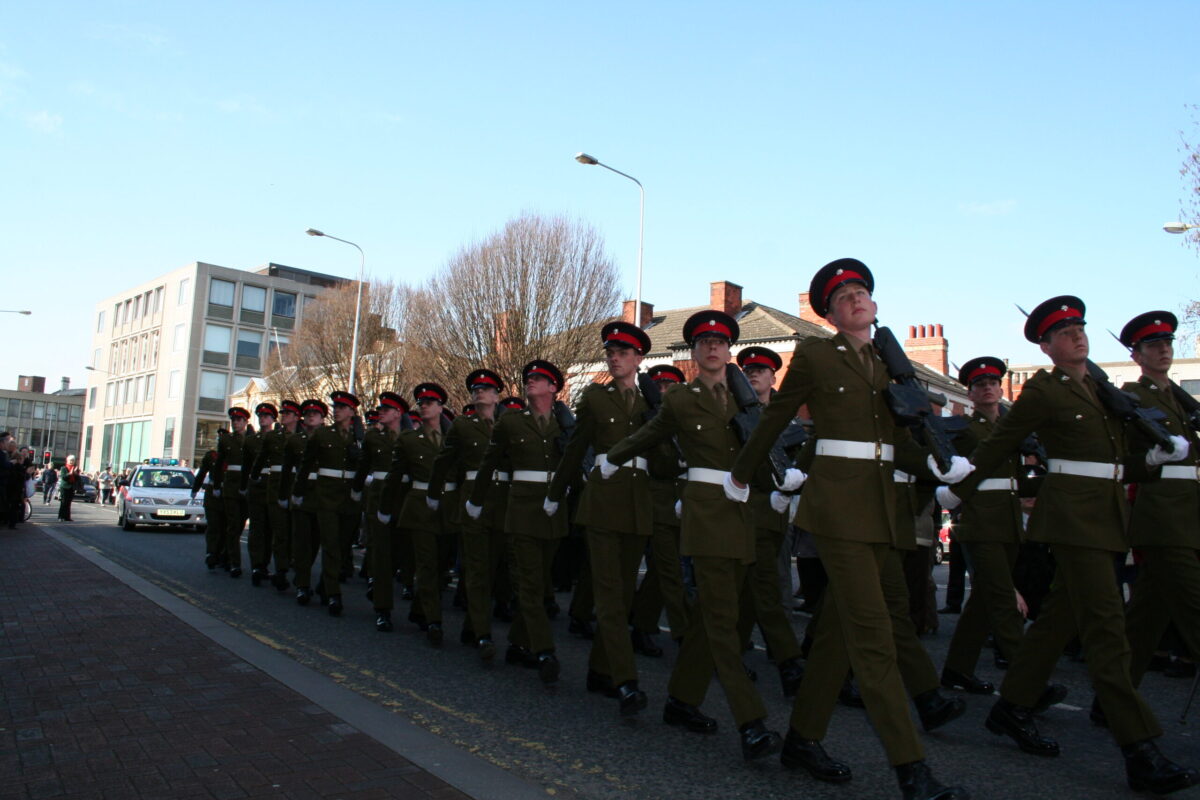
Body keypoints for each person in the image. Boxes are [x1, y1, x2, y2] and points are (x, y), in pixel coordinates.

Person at [729, 259, 971, 797]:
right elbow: (774, 418)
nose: (855, 300)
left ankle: (802, 738)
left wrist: (936, 466)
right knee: (873, 636)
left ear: (876, 305)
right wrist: (744, 476)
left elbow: (895, 441)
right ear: (831, 315)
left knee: (839, 631)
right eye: (842, 298)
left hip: (882, 507)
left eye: (861, 291)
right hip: (837, 507)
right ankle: (911, 768)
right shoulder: (818, 353)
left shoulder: (891, 363)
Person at [941, 296, 1198, 795]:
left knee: (1058, 619)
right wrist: (959, 490)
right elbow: (1000, 443)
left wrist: (1163, 455)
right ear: (1046, 345)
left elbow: (1122, 463)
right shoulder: (1044, 390)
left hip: (1108, 519)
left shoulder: (1100, 390)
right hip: (1073, 521)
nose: (1077, 336)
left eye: (1079, 328)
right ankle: (1139, 749)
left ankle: (1012, 707)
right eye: (1063, 332)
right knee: (1107, 633)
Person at [605, 310, 783, 762]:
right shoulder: (681, 400)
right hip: (705, 515)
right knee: (723, 622)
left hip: (742, 515)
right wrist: (611, 458)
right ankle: (752, 721)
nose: (711, 347)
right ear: (695, 352)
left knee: (711, 616)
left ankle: (682, 701)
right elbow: (649, 434)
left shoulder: (748, 402)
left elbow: (762, 453)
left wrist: (784, 484)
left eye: (719, 342)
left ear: (729, 350)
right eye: (703, 341)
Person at [546, 321, 656, 715]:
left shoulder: (651, 402)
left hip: (638, 503)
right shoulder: (595, 397)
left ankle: (599, 670)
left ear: (639, 358)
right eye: (611, 353)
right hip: (603, 501)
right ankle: (626, 681)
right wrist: (556, 495)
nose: (615, 358)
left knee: (623, 594)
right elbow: (576, 449)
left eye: (623, 353)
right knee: (609, 594)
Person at [468, 360, 571, 684]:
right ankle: (544, 650)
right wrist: (476, 500)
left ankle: (516, 642)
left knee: (540, 583)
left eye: (539, 379)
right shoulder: (511, 422)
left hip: (553, 512)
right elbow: (489, 464)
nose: (531, 382)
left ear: (553, 387)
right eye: (528, 379)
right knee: (528, 584)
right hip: (522, 511)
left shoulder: (565, 424)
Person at [1117, 312, 1200, 709]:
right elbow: (1128, 455)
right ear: (1137, 355)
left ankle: (1112, 698)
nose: (1163, 350)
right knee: (1193, 605)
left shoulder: (1174, 398)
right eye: (1153, 345)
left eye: (1167, 343)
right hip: (1163, 517)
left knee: (1146, 617)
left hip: (1186, 513)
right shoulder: (1135, 397)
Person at [940, 357, 1029, 695]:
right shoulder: (963, 429)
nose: (988, 388)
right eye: (980, 384)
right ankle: (1028, 682)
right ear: (970, 392)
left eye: (993, 382)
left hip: (1007, 521)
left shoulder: (1009, 427)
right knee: (1004, 601)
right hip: (980, 522)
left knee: (983, 602)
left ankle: (957, 670)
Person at [732, 345, 806, 698]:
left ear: (773, 377)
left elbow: (803, 458)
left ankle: (767, 654)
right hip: (744, 509)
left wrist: (791, 485)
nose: (754, 374)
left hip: (776, 513)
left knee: (769, 588)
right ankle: (786, 661)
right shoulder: (734, 415)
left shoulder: (786, 417)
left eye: (761, 370)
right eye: (748, 370)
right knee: (755, 589)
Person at [428, 370, 507, 657]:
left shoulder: (508, 423)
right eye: (476, 389)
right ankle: (484, 635)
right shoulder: (462, 425)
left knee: (492, 568)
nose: (479, 393)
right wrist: (434, 493)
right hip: (473, 502)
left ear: (497, 394)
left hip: (501, 503)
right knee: (476, 570)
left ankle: (472, 626)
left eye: (486, 389)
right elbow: (443, 462)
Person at [293, 391, 363, 616]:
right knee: (328, 545)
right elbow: (306, 465)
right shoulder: (323, 435)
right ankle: (333, 594)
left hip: (349, 499)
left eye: (343, 407)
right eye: (336, 406)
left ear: (352, 412)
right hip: (325, 497)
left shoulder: (360, 436)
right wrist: (298, 492)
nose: (337, 410)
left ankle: (325, 585)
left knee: (342, 547)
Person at [251, 399, 302, 591]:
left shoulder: (305, 437)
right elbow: (260, 460)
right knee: (279, 532)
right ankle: (280, 570)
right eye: (283, 413)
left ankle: (294, 565)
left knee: (295, 532)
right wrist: (254, 478)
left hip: (297, 489)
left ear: (297, 417)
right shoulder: (273, 437)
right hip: (275, 488)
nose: (284, 416)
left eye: (288, 414)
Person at [282, 399, 325, 605]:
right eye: (307, 414)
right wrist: (285, 495)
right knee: (301, 542)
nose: (311, 416)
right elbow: (286, 470)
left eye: (315, 414)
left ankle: (307, 577)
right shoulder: (295, 441)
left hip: (322, 497)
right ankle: (303, 584)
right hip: (301, 495)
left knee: (316, 541)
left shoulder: (328, 439)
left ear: (322, 418)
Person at [242, 402, 279, 586]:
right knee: (257, 528)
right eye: (260, 416)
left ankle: (265, 564)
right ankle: (257, 565)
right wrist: (245, 486)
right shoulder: (251, 441)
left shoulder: (279, 439)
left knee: (271, 528)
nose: (263, 419)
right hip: (257, 487)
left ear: (273, 419)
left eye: (266, 416)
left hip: (273, 486)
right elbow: (247, 467)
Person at [215, 407, 253, 578]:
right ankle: (234, 563)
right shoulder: (226, 440)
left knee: (240, 524)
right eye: (234, 420)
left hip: (248, 486)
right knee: (232, 525)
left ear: (246, 422)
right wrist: (217, 484)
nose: (236, 423)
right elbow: (219, 463)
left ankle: (225, 554)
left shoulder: (253, 439)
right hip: (231, 486)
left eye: (239, 420)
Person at [192, 442, 227, 569]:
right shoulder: (211, 456)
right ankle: (211, 554)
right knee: (213, 526)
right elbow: (202, 473)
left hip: (229, 494)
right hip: (213, 494)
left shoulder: (234, 454)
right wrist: (195, 489)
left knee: (226, 527)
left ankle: (223, 554)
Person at [57, 454, 80, 522]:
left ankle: (67, 517)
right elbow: (63, 477)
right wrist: (70, 473)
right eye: (70, 460)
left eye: (73, 460)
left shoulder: (75, 468)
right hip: (64, 487)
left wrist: (75, 473)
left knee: (69, 503)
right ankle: (61, 516)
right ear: (67, 461)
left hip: (71, 487)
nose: (71, 462)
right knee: (63, 502)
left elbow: (77, 479)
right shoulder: (63, 468)